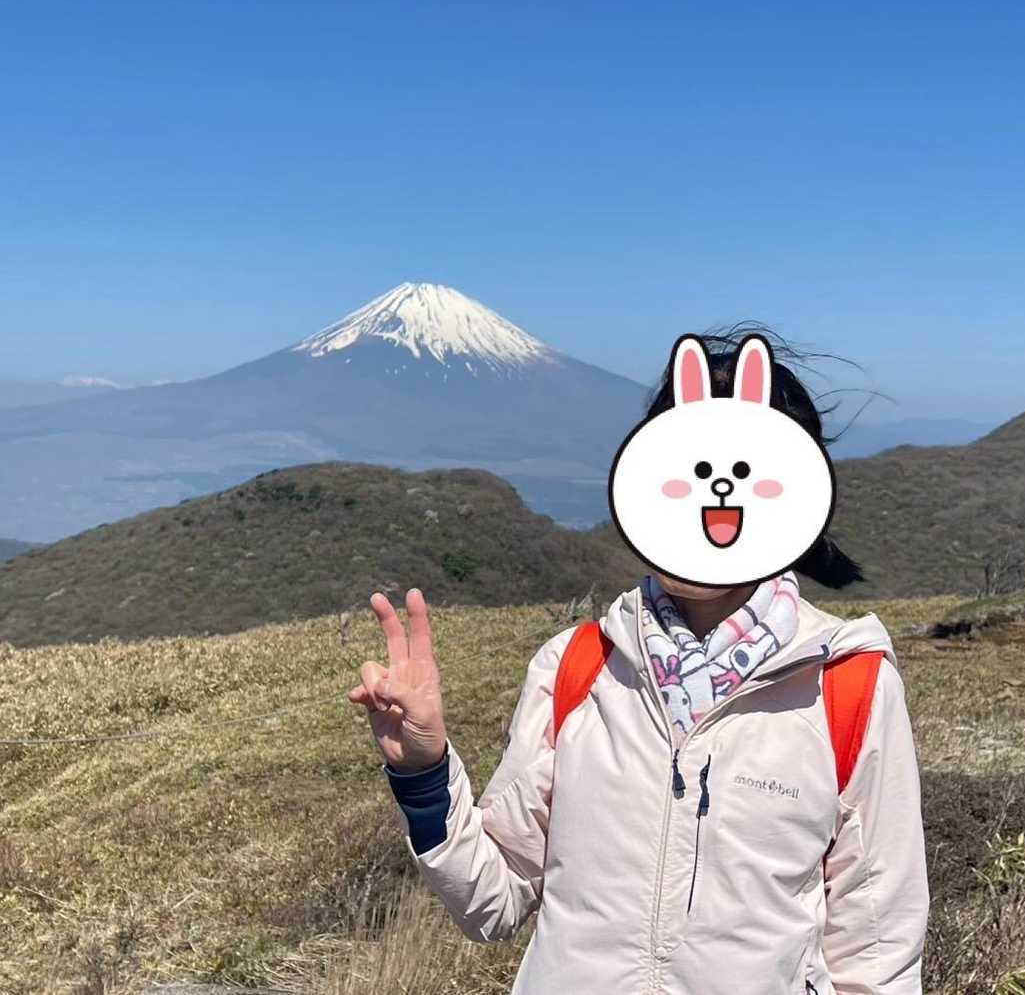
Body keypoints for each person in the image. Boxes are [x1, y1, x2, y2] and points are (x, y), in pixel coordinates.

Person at [349, 327, 929, 995]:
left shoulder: (848, 685)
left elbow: (876, 952)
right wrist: (423, 772)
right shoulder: (575, 668)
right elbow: (493, 900)